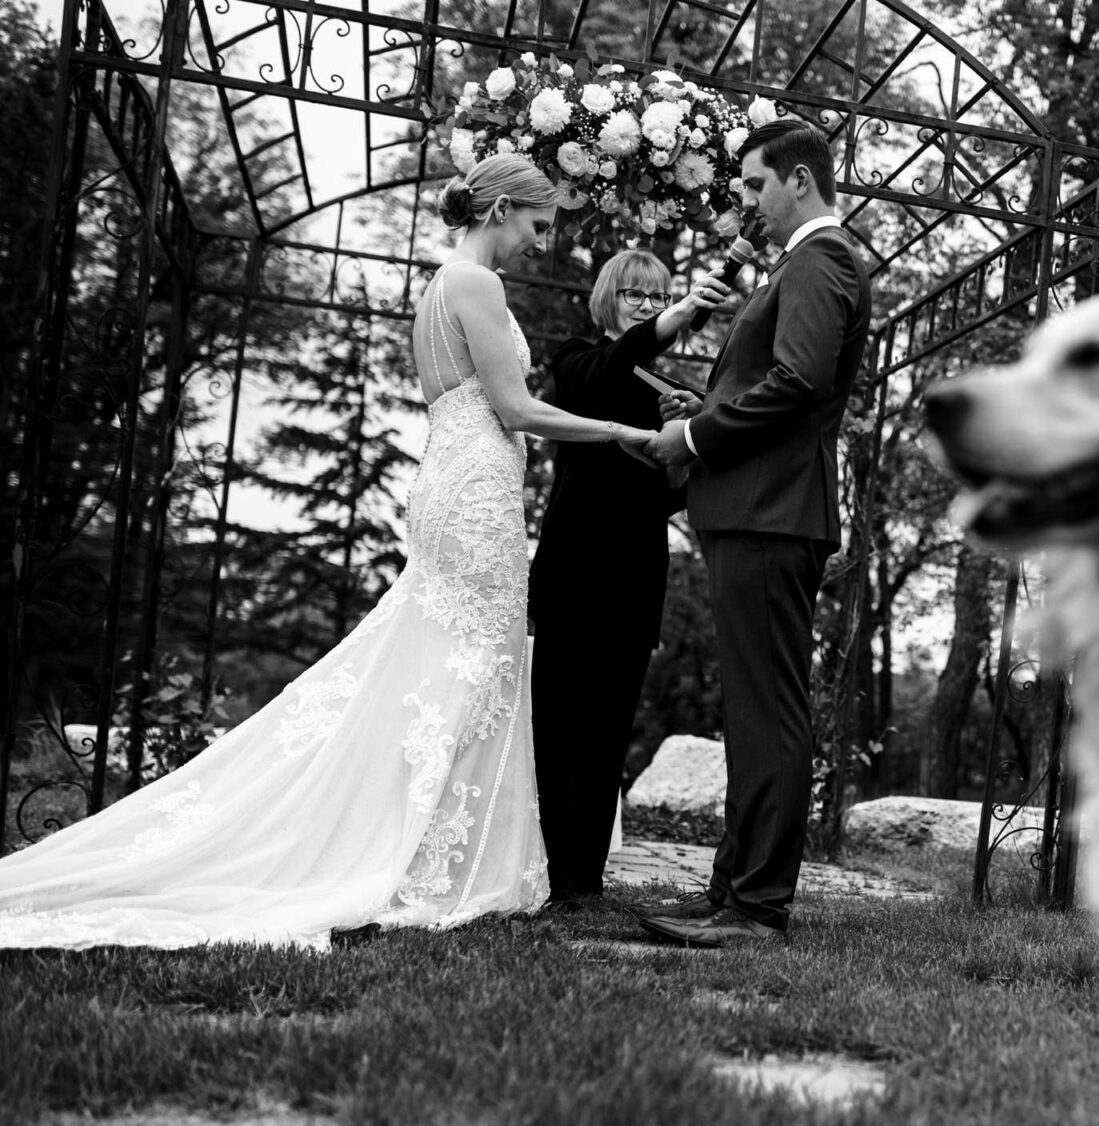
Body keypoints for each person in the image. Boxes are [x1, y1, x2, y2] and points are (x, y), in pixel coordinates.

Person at [0, 155, 656, 950]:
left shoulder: (441, 285)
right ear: (500, 210)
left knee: (449, 667)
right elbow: (514, 406)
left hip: (458, 476)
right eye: (536, 225)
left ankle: (426, 839)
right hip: (475, 486)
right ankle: (421, 852)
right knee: (468, 665)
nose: (538, 243)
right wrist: (621, 430)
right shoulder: (476, 285)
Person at [629, 117, 871, 948]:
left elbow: (800, 380)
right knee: (752, 708)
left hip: (773, 513)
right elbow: (779, 384)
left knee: (767, 708)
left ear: (797, 181)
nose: (746, 205)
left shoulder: (821, 258)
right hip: (753, 509)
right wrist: (701, 411)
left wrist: (695, 437)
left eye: (753, 187)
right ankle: (732, 891)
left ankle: (758, 906)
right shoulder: (800, 264)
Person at [532, 252, 728, 908]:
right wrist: (676, 318)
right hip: (572, 568)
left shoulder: (657, 386)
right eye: (634, 294)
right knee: (557, 723)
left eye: (656, 296)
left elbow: (666, 497)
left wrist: (689, 433)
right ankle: (547, 866)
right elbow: (601, 379)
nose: (644, 305)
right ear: (608, 296)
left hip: (636, 570)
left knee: (609, 727)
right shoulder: (576, 358)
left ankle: (584, 878)